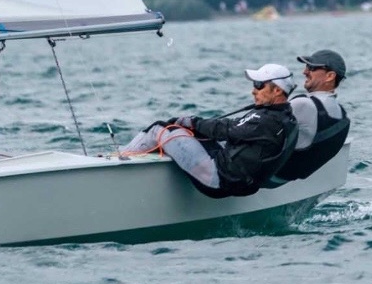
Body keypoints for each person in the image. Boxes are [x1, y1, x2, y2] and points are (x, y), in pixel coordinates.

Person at [129, 64, 298, 197]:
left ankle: (121, 158)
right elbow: (237, 131)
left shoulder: (266, 121)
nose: (253, 90)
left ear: (277, 90)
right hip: (240, 183)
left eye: (259, 85)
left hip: (217, 178)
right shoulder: (286, 119)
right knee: (191, 133)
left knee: (160, 128)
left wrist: (192, 121)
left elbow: (225, 129)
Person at [274, 49, 350, 182]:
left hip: (265, 176)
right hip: (287, 178)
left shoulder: (304, 104)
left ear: (330, 76)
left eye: (311, 68)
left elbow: (257, 127)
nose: (304, 71)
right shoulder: (341, 114)